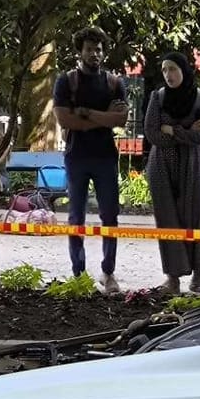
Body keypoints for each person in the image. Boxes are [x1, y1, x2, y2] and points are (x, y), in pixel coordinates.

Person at [142, 48, 200, 294]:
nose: (168, 74)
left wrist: (172, 129)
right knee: (169, 222)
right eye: (164, 70)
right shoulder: (158, 98)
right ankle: (173, 278)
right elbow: (152, 133)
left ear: (184, 70)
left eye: (172, 69)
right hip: (163, 168)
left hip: (195, 166)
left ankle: (199, 278)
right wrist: (186, 130)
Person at [52, 27, 130, 293]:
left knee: (110, 216)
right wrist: (102, 117)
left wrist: (85, 114)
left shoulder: (114, 83)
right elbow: (64, 119)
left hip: (106, 157)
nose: (94, 54)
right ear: (80, 51)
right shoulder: (67, 81)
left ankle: (108, 272)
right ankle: (79, 274)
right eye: (89, 49)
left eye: (98, 49)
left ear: (104, 52)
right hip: (77, 157)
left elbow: (121, 119)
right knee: (76, 217)